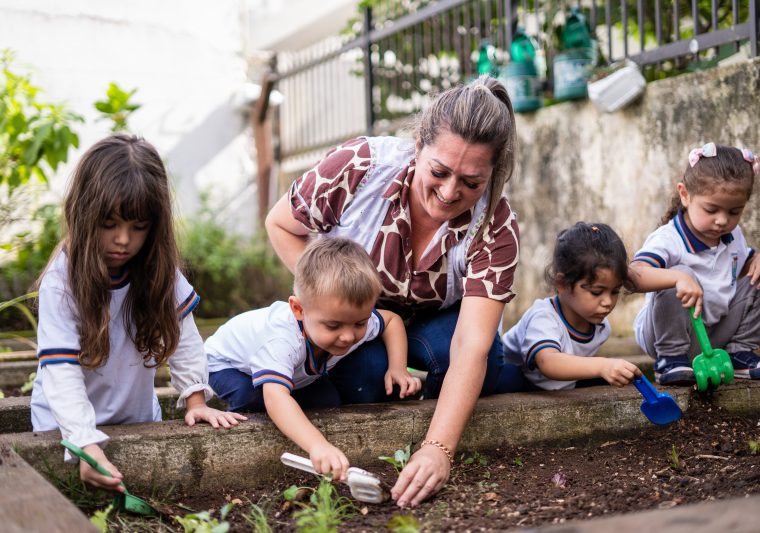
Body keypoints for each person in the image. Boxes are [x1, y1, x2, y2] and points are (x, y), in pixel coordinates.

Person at [265, 75, 519, 506]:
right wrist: (331, 298)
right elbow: (281, 224)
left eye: (472, 182)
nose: (450, 192)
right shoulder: (359, 165)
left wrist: (439, 448)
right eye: (439, 171)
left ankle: (434, 426)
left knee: (489, 360)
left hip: (436, 323)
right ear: (418, 146)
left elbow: (471, 345)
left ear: (493, 174)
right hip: (361, 318)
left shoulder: (496, 227)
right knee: (363, 376)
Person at [30, 134, 246, 494]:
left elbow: (185, 337)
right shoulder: (61, 282)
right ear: (84, 214)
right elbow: (60, 371)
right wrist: (84, 441)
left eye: (138, 228)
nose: (123, 240)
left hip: (137, 418)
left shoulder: (157, 269)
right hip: (63, 430)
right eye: (109, 224)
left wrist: (196, 399)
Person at [205, 237, 420, 479]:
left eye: (360, 323)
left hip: (294, 372)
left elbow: (391, 320)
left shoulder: (346, 321)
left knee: (327, 401)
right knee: (256, 398)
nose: (348, 336)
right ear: (298, 309)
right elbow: (275, 398)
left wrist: (398, 368)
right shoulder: (281, 339)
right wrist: (318, 445)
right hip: (225, 365)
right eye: (333, 325)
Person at [631, 143, 760, 385]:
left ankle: (738, 353)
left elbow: (744, 268)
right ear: (685, 195)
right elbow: (633, 275)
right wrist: (677, 278)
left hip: (713, 334)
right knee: (678, 272)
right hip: (664, 336)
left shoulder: (733, 236)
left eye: (734, 212)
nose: (722, 221)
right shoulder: (668, 238)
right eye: (711, 209)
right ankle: (669, 361)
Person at [494, 222, 641, 393]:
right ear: (562, 284)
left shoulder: (601, 327)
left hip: (555, 383)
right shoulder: (544, 317)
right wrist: (602, 365)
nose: (608, 301)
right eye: (596, 292)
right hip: (520, 376)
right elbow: (548, 362)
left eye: (615, 291)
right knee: (507, 377)